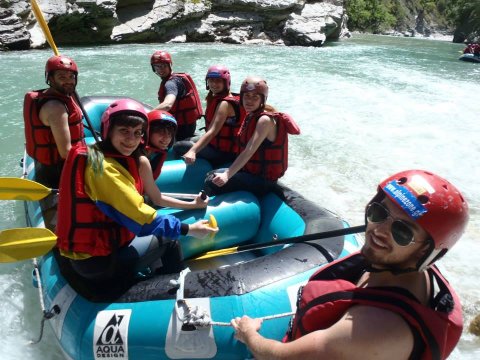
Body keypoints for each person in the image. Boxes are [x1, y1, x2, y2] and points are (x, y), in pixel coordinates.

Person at [232, 169, 469, 360]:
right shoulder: (410, 268)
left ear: (428, 252)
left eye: (402, 231)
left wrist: (248, 333)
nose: (379, 230)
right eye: (379, 212)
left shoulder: (372, 332)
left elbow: (277, 356)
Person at [55, 99, 217, 289]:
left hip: (89, 253)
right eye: (124, 131)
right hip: (99, 263)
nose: (131, 139)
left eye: (137, 133)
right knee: (170, 241)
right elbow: (143, 218)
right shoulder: (104, 169)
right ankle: (177, 289)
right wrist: (189, 229)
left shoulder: (96, 154)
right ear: (108, 130)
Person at [204, 76, 300, 197]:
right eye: (247, 96)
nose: (249, 101)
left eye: (255, 97)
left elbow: (249, 150)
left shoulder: (264, 120)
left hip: (263, 180)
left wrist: (227, 174)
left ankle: (207, 207)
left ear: (263, 99)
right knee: (210, 175)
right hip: (252, 172)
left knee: (211, 181)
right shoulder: (253, 114)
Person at [23, 55, 84, 229]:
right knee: (59, 216)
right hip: (57, 171)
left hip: (47, 165)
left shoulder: (59, 96)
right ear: (50, 79)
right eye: (62, 77)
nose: (69, 81)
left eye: (71, 77)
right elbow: (66, 152)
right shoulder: (55, 108)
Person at [174, 65, 245, 168]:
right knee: (186, 140)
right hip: (216, 144)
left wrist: (193, 151)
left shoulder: (224, 104)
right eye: (211, 81)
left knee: (179, 146)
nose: (213, 84)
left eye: (218, 81)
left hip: (223, 152)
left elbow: (212, 131)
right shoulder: (217, 98)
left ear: (226, 82)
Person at [140, 109, 209, 209]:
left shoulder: (152, 153)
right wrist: (193, 205)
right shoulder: (141, 158)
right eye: (161, 133)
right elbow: (157, 199)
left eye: (169, 134)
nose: (166, 139)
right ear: (148, 132)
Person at [150, 50, 203, 141]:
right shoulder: (177, 78)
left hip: (182, 129)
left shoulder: (171, 83)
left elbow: (167, 105)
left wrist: (147, 116)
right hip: (188, 125)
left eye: (163, 65)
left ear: (169, 65)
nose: (160, 69)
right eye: (157, 66)